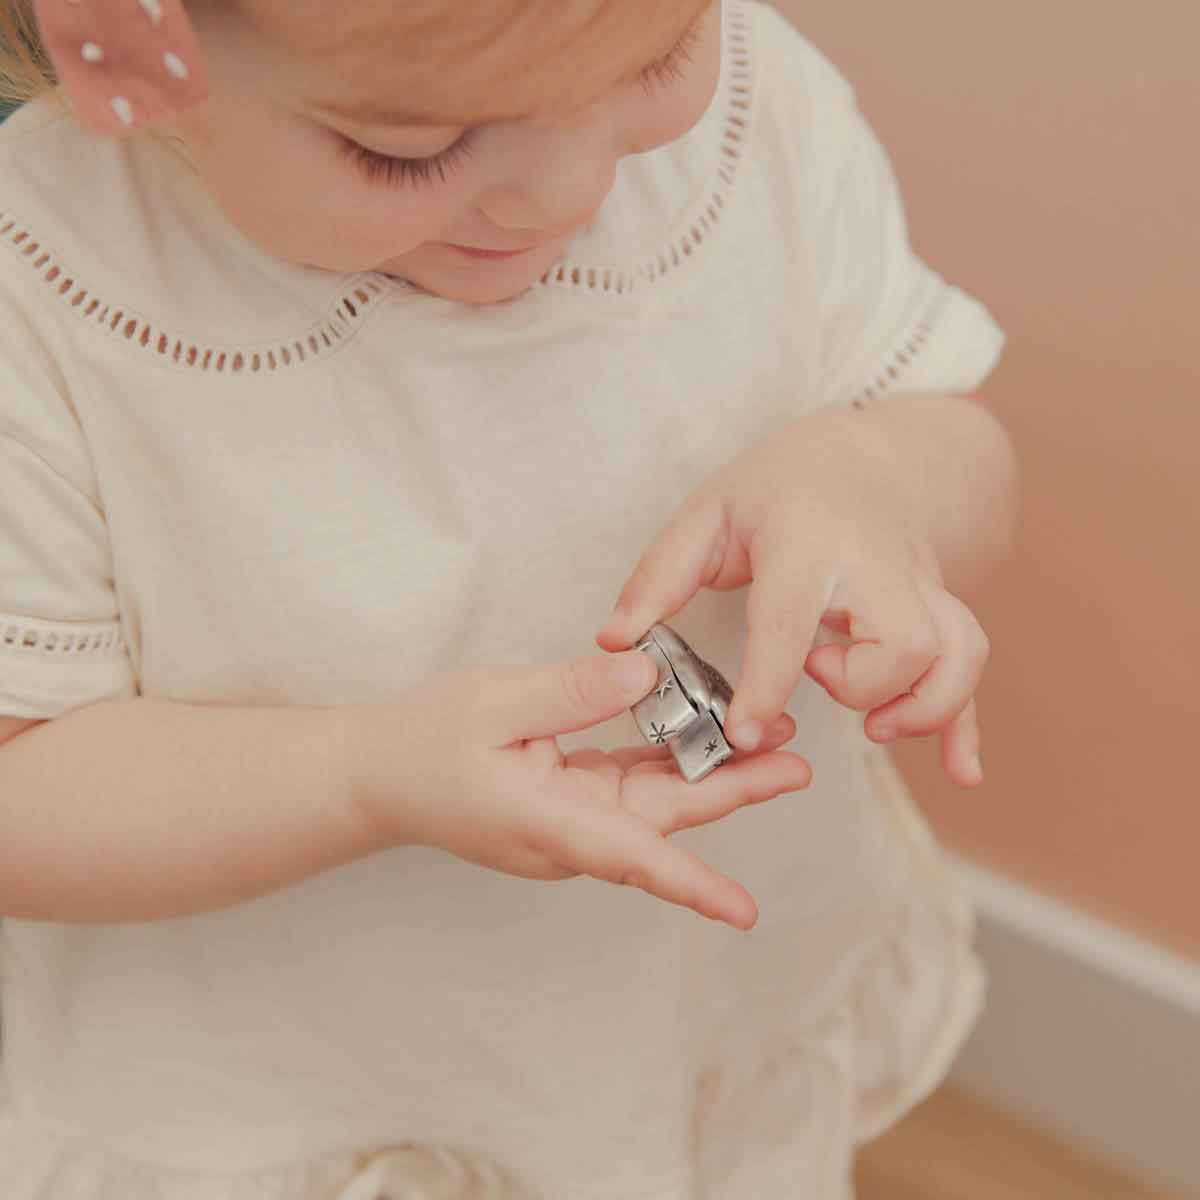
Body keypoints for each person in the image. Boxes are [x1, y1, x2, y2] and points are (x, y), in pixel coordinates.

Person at [0, 0, 1018, 1196]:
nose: (567, 191)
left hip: (689, 1000)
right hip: (285, 1094)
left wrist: (874, 477)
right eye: (410, 150)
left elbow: (956, 433)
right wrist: (359, 777)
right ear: (133, 46)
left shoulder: (758, 102)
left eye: (653, 63)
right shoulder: (48, 289)